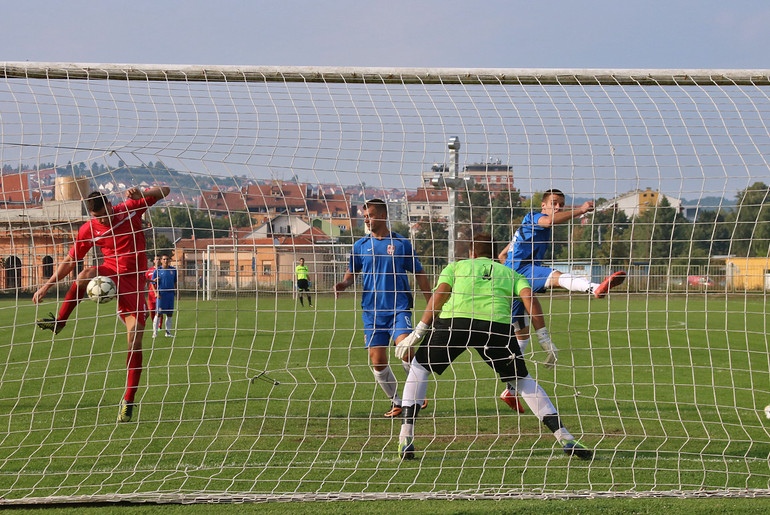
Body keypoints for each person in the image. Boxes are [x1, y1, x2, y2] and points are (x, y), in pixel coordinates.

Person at [394, 232, 592, 461]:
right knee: (522, 380)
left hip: (454, 323)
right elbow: (531, 301)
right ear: (494, 254)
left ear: (472, 252)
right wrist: (545, 339)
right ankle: (565, 437)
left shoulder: (456, 267)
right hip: (495, 327)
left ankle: (406, 437)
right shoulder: (510, 272)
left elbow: (440, 294)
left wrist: (418, 332)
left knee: (419, 368)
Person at [34, 185, 170, 423]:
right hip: (109, 273)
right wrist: (48, 285)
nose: (101, 220)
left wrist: (144, 194)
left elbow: (166, 190)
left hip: (135, 280)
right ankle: (60, 322)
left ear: (109, 205)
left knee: (134, 340)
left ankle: (128, 400)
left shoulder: (130, 208)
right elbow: (70, 259)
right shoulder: (89, 229)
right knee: (86, 271)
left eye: (102, 215)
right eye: (96, 217)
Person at [497, 189, 626, 412]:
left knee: (521, 336)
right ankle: (595, 288)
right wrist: (581, 211)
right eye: (554, 203)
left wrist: (508, 268)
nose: (558, 208)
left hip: (512, 279)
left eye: (562, 205)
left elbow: (502, 255)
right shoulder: (535, 218)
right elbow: (548, 222)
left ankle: (510, 389)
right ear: (543, 205)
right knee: (555, 276)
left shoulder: (527, 228)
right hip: (521, 272)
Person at [334, 199, 432, 418]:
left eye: (369, 214)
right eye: (364, 215)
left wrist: (431, 303)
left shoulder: (401, 244)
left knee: (405, 349)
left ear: (382, 215)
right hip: (372, 312)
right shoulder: (360, 246)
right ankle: (397, 401)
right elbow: (352, 274)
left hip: (399, 309)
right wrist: (344, 283)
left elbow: (419, 273)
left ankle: (416, 392)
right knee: (377, 361)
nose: (366, 219)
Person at [152, 255, 177, 338]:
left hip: (170, 295)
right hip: (161, 295)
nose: (165, 260)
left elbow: (175, 282)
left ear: (169, 260)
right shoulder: (157, 271)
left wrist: (176, 292)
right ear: (161, 261)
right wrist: (156, 293)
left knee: (169, 314)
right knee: (158, 314)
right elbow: (152, 283)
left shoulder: (173, 270)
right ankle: (155, 333)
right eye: (164, 259)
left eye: (167, 259)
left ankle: (168, 332)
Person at [145, 255, 162, 332]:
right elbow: (145, 280)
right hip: (151, 294)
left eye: (159, 259)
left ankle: (159, 326)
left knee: (159, 310)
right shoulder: (149, 271)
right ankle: (154, 324)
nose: (158, 261)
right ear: (154, 261)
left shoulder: (163, 270)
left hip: (160, 293)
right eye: (156, 259)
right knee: (152, 310)